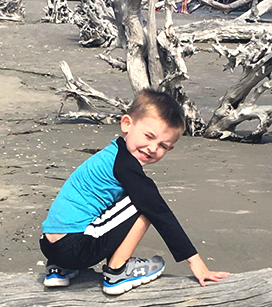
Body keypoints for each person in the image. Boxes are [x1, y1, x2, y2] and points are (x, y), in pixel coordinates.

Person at [39, 89, 229, 295]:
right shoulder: (124, 166)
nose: (152, 148)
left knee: (125, 200)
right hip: (76, 247)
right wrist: (195, 261)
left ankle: (58, 270)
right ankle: (117, 272)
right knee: (146, 203)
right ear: (127, 124)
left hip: (51, 246)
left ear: (170, 149)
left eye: (163, 146)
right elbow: (160, 213)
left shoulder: (111, 155)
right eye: (149, 136)